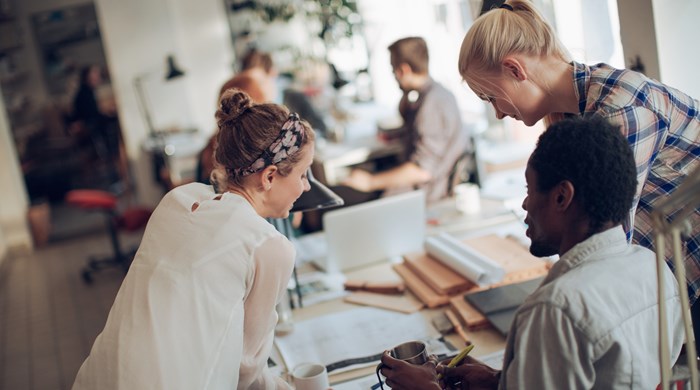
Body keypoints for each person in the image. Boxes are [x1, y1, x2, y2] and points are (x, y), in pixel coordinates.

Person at [457, 0, 700, 346]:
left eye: (489, 97)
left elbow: (605, 252)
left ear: (514, 69)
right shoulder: (577, 116)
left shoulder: (621, 111)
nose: (496, 113)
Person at [378, 116, 684, 389]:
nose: (525, 204)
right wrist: (501, 381)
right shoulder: (655, 270)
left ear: (562, 196)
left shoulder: (555, 309)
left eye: (529, 190)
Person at [72, 89, 315, 389]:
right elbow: (246, 373)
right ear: (269, 176)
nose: (305, 187)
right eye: (303, 174)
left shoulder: (178, 200)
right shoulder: (269, 246)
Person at [343, 37, 468, 204]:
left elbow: (422, 171)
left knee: (348, 196)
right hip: (420, 183)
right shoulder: (430, 95)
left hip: (427, 191)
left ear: (403, 70)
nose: (393, 76)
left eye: (393, 70)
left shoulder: (432, 105)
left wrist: (370, 182)